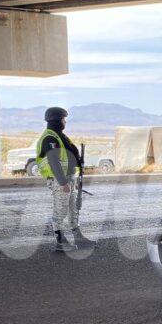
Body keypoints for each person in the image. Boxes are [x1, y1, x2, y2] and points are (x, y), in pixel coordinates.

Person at [36, 107, 94, 251]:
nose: (65, 122)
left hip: (69, 178)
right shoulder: (50, 138)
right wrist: (63, 183)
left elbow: (70, 153)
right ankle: (60, 242)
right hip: (59, 180)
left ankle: (78, 238)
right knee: (60, 211)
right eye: (63, 119)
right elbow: (53, 161)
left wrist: (78, 164)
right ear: (56, 120)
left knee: (73, 210)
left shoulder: (61, 136)